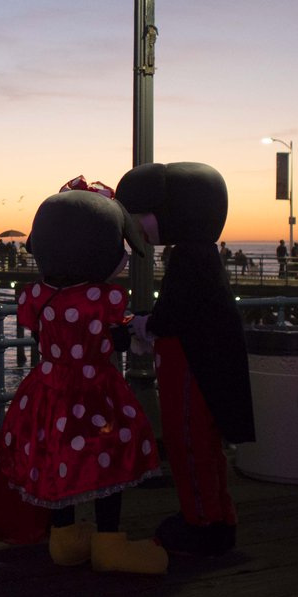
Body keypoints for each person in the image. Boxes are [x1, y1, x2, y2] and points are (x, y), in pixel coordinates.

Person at [0, 177, 167, 574]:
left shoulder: (36, 297)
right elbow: (118, 343)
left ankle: (65, 538)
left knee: (57, 456)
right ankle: (109, 542)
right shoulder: (103, 299)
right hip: (95, 392)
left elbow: (40, 335)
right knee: (108, 458)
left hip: (48, 388)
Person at [116, 162, 254, 558]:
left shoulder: (189, 260)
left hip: (191, 365)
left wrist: (142, 325)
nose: (139, 226)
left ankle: (202, 523)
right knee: (206, 447)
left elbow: (175, 315)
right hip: (203, 361)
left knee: (188, 441)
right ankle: (218, 516)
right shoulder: (202, 256)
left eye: (142, 216)